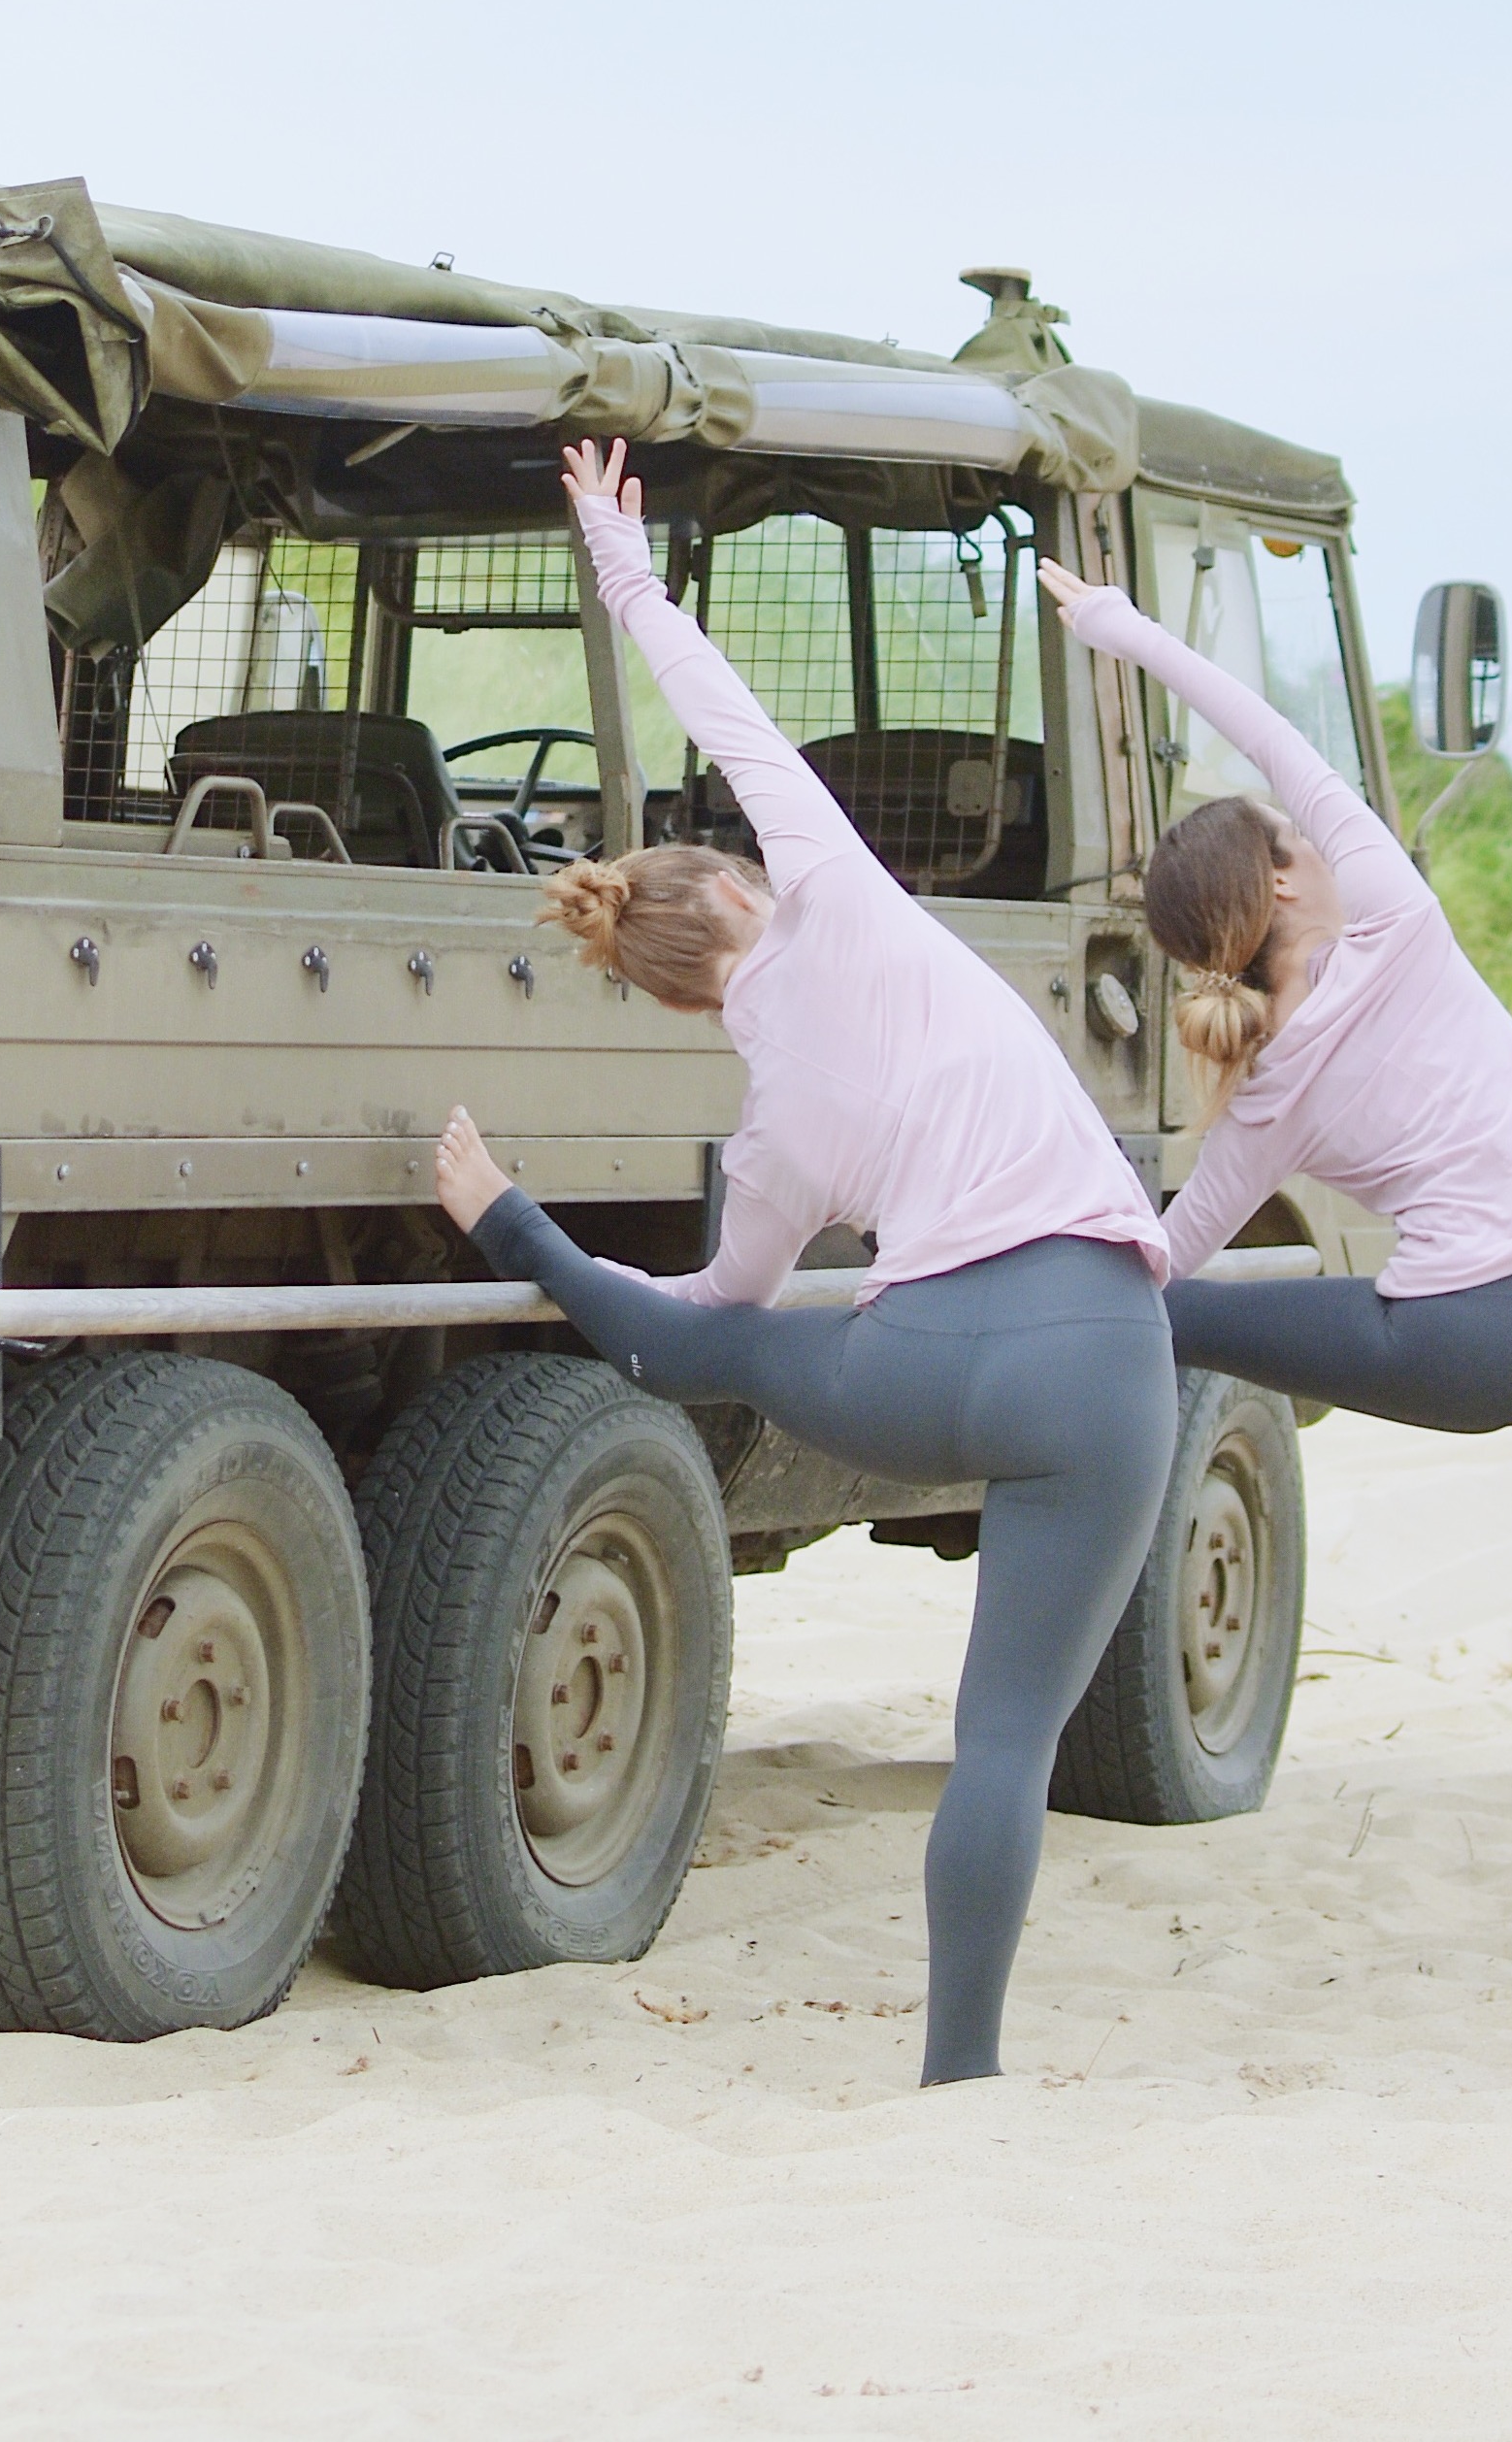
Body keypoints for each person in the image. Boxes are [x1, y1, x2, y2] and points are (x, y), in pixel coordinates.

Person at [427, 437, 1178, 2086]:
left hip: (920, 1369)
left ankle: (509, 1221)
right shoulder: (839, 880)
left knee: (730, 1343)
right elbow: (721, 706)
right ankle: (960, 2070)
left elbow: (703, 1320)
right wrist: (624, 560)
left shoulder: (774, 1135)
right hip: (1109, 1354)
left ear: (683, 1002)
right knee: (1005, 1741)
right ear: (751, 882)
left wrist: (512, 1223)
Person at [1036, 555, 1512, 1988]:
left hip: (1456, 1340)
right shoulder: (1389, 909)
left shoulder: (1264, 1088)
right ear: (1279, 874)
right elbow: (1267, 728)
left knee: (1181, 1314)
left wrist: (1044, 1240)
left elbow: (1165, 1254)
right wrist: (1122, 628)